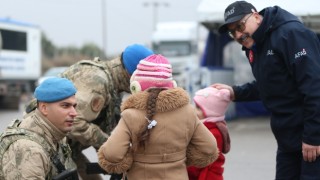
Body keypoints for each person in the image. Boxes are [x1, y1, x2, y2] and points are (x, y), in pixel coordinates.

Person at [215, 1, 320, 179]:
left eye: (240, 26)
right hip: (288, 140)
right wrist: (235, 92)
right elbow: (270, 83)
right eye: (233, 32)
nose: (238, 34)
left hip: (310, 139)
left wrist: (313, 136)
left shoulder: (291, 34)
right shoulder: (255, 45)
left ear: (256, 16)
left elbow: (315, 87)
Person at [25, 43, 154, 179]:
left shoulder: (115, 87)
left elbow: (109, 127)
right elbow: (76, 122)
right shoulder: (99, 82)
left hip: (67, 146)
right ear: (130, 74)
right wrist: (108, 144)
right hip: (41, 142)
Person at [97, 54, 219, 180]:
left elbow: (112, 154)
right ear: (172, 84)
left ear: (136, 86)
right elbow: (209, 148)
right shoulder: (188, 112)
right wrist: (181, 157)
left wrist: (131, 159)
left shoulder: (130, 115)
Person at [0, 77, 78, 179]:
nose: (74, 113)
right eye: (65, 106)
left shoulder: (56, 133)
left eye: (74, 106)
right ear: (44, 108)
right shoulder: (28, 150)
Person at [187, 87, 231, 180]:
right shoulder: (207, 127)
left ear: (211, 112)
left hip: (207, 176)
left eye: (198, 108)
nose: (194, 110)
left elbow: (200, 161)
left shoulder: (213, 132)